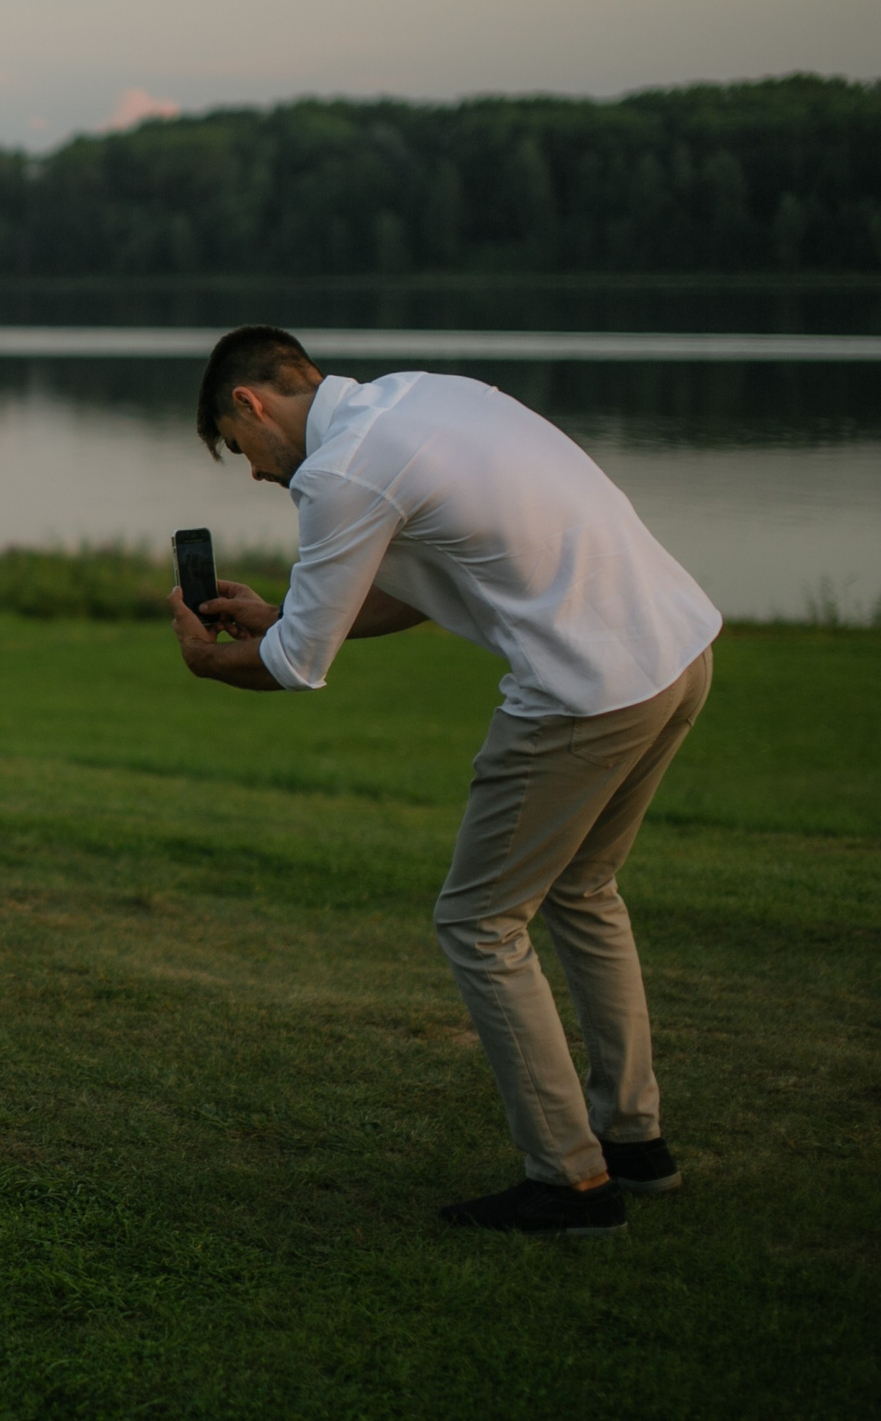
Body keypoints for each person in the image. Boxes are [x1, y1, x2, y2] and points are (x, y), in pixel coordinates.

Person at [170, 327, 720, 1236]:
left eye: (241, 449)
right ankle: (634, 1143)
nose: (257, 472)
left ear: (250, 404)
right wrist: (285, 611)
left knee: (479, 922)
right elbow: (406, 589)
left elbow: (298, 665)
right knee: (583, 888)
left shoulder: (340, 471)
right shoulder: (425, 398)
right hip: (677, 656)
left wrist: (208, 660)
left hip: (584, 692)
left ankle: (571, 1183)